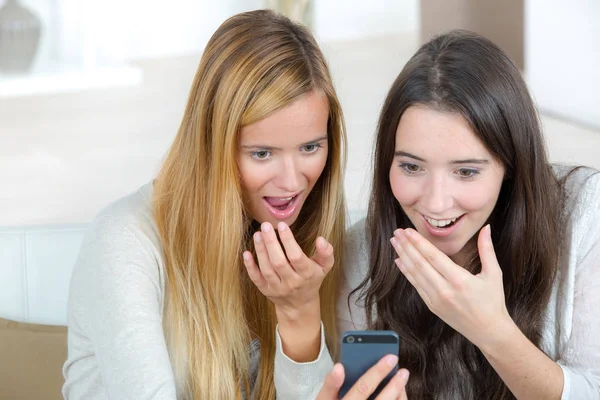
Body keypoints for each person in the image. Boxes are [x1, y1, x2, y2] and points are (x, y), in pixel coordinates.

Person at [62, 9, 349, 399]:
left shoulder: (312, 244)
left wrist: (300, 318)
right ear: (212, 146)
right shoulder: (124, 242)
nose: (292, 181)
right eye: (262, 153)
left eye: (311, 147)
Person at [316, 30, 600, 399]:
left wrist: (492, 331)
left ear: (511, 165)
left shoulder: (583, 216)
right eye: (412, 167)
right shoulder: (362, 255)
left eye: (466, 172)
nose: (435, 204)